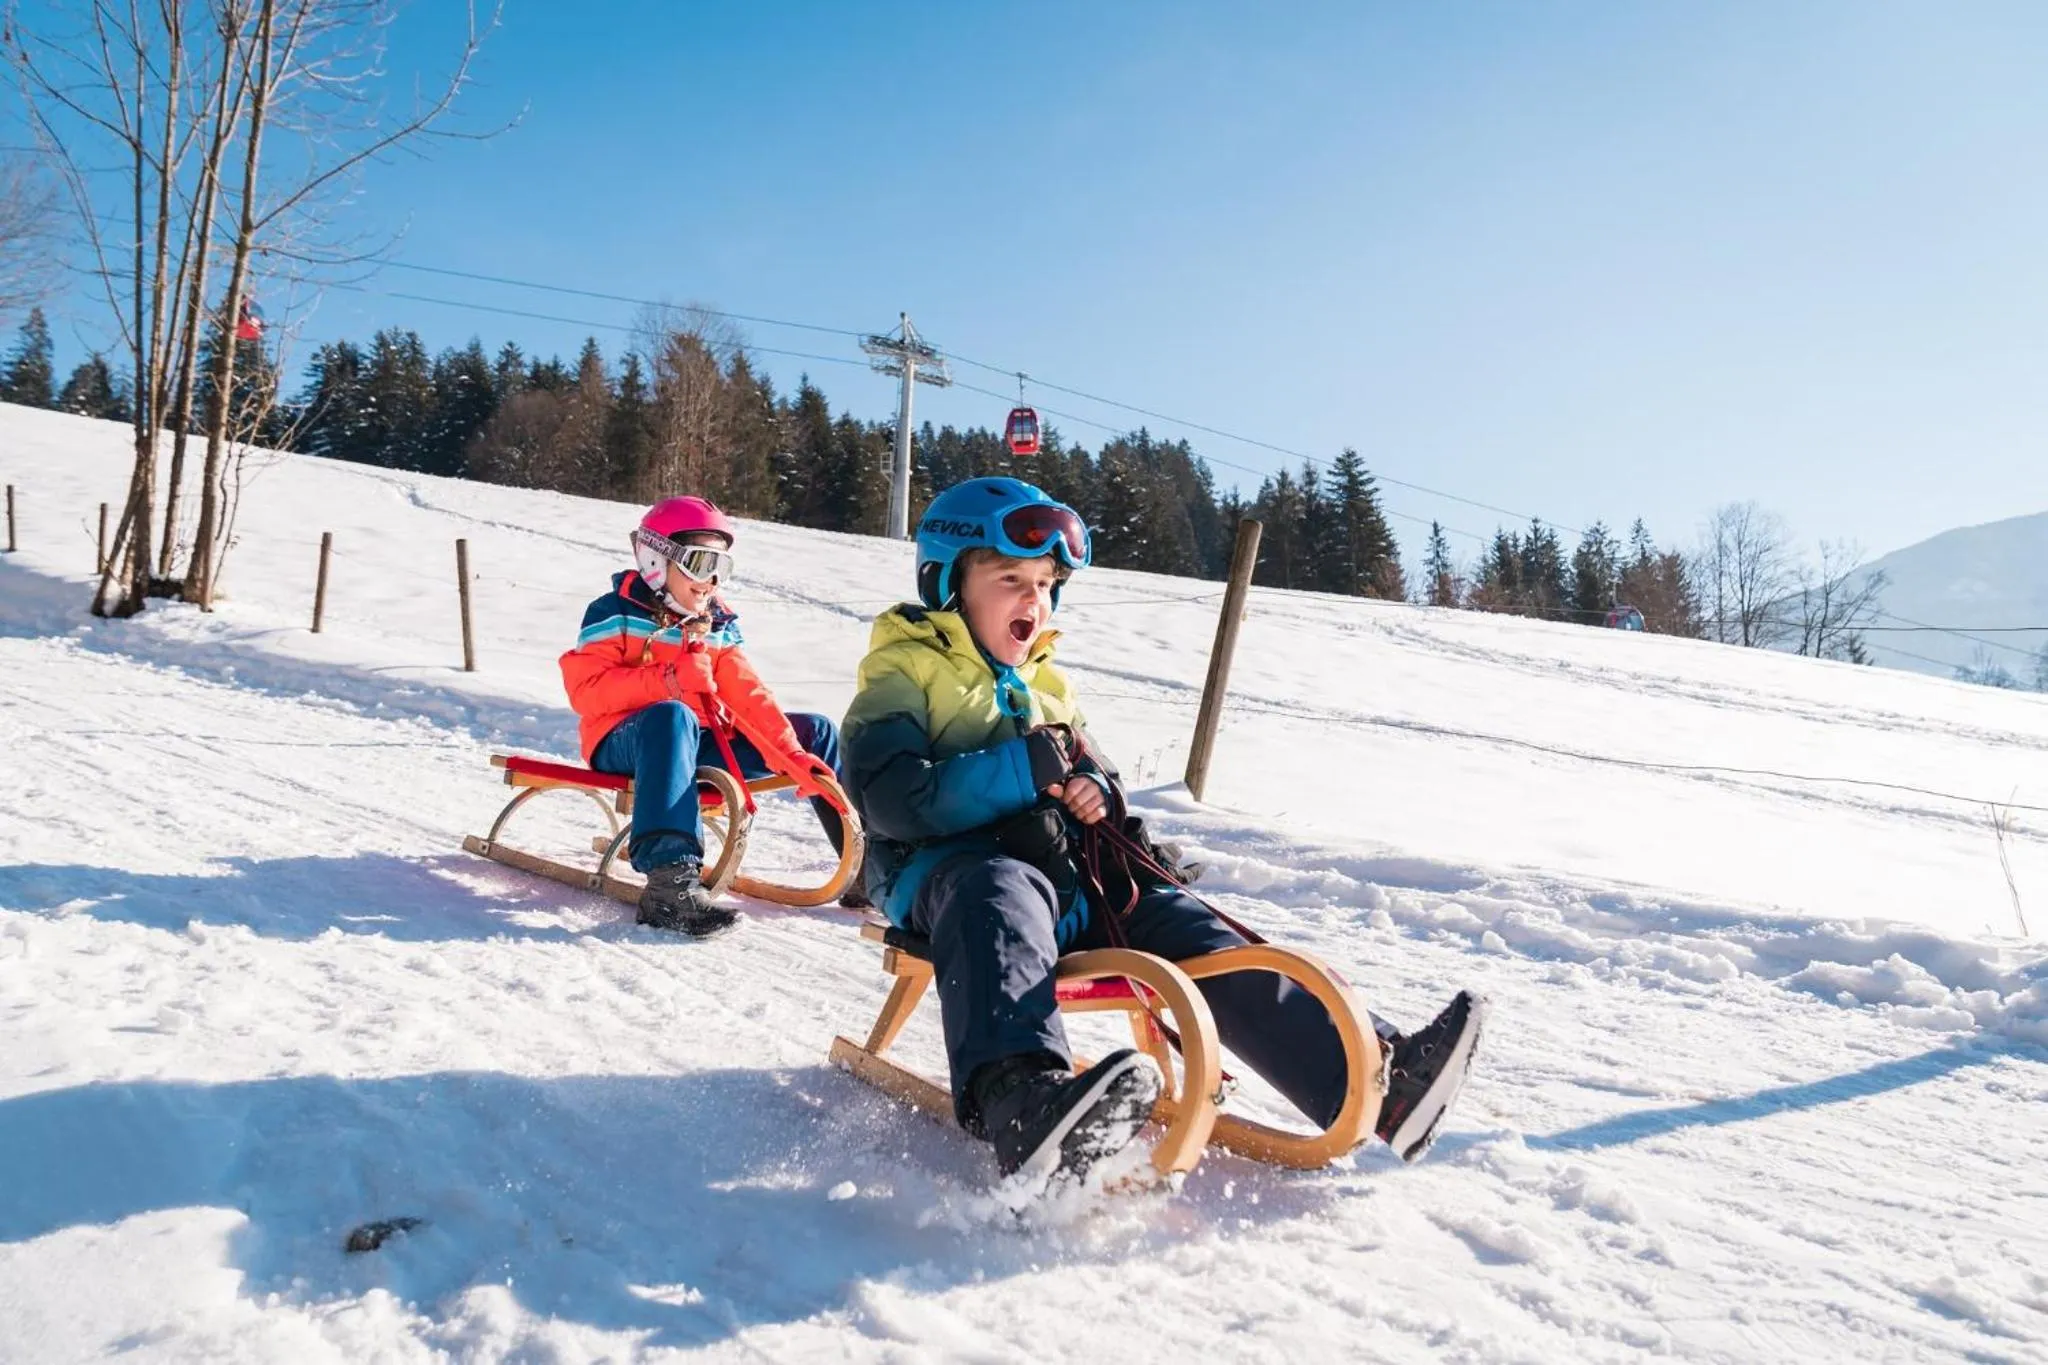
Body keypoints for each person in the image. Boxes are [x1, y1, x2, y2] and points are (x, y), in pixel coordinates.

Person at [841, 477, 1485, 1193]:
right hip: (946, 875)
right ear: (947, 583)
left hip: (1068, 877)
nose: (1034, 600)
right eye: (1011, 579)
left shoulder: (1049, 682)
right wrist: (1024, 765)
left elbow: (1100, 777)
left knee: (1193, 931)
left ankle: (1378, 1075)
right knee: (998, 890)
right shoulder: (904, 668)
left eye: (1048, 583)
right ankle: (1021, 1101)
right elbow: (889, 795)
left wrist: (1100, 795)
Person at [561, 496, 847, 935]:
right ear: (656, 559)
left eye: (722, 567)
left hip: (693, 741)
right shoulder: (613, 611)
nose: (711, 580)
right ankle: (669, 882)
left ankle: (869, 867)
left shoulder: (717, 624)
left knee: (815, 731)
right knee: (672, 715)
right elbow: (586, 693)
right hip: (624, 741)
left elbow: (748, 696)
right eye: (699, 563)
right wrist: (667, 680)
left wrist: (791, 753)